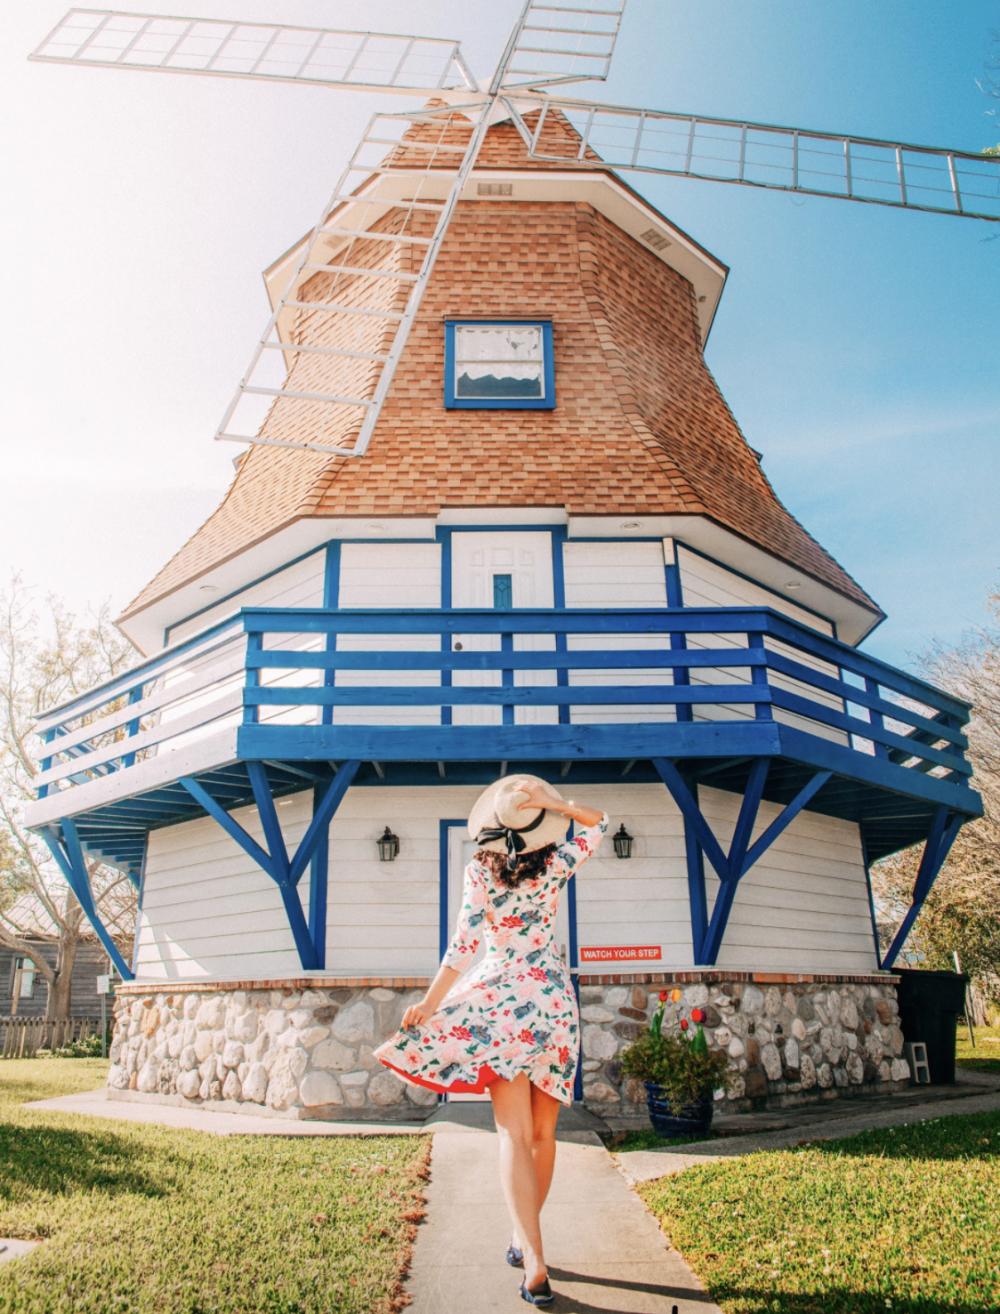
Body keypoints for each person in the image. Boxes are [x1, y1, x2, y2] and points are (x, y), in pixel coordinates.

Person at [373, 774, 609, 1307]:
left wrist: (431, 1004)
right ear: (538, 824)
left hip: (503, 1004)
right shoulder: (556, 864)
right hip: (551, 1002)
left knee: (513, 1135)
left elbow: (463, 944)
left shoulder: (480, 869)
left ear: (493, 827)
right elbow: (602, 825)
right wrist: (556, 802)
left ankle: (534, 1259)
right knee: (544, 1136)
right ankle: (525, 1243)